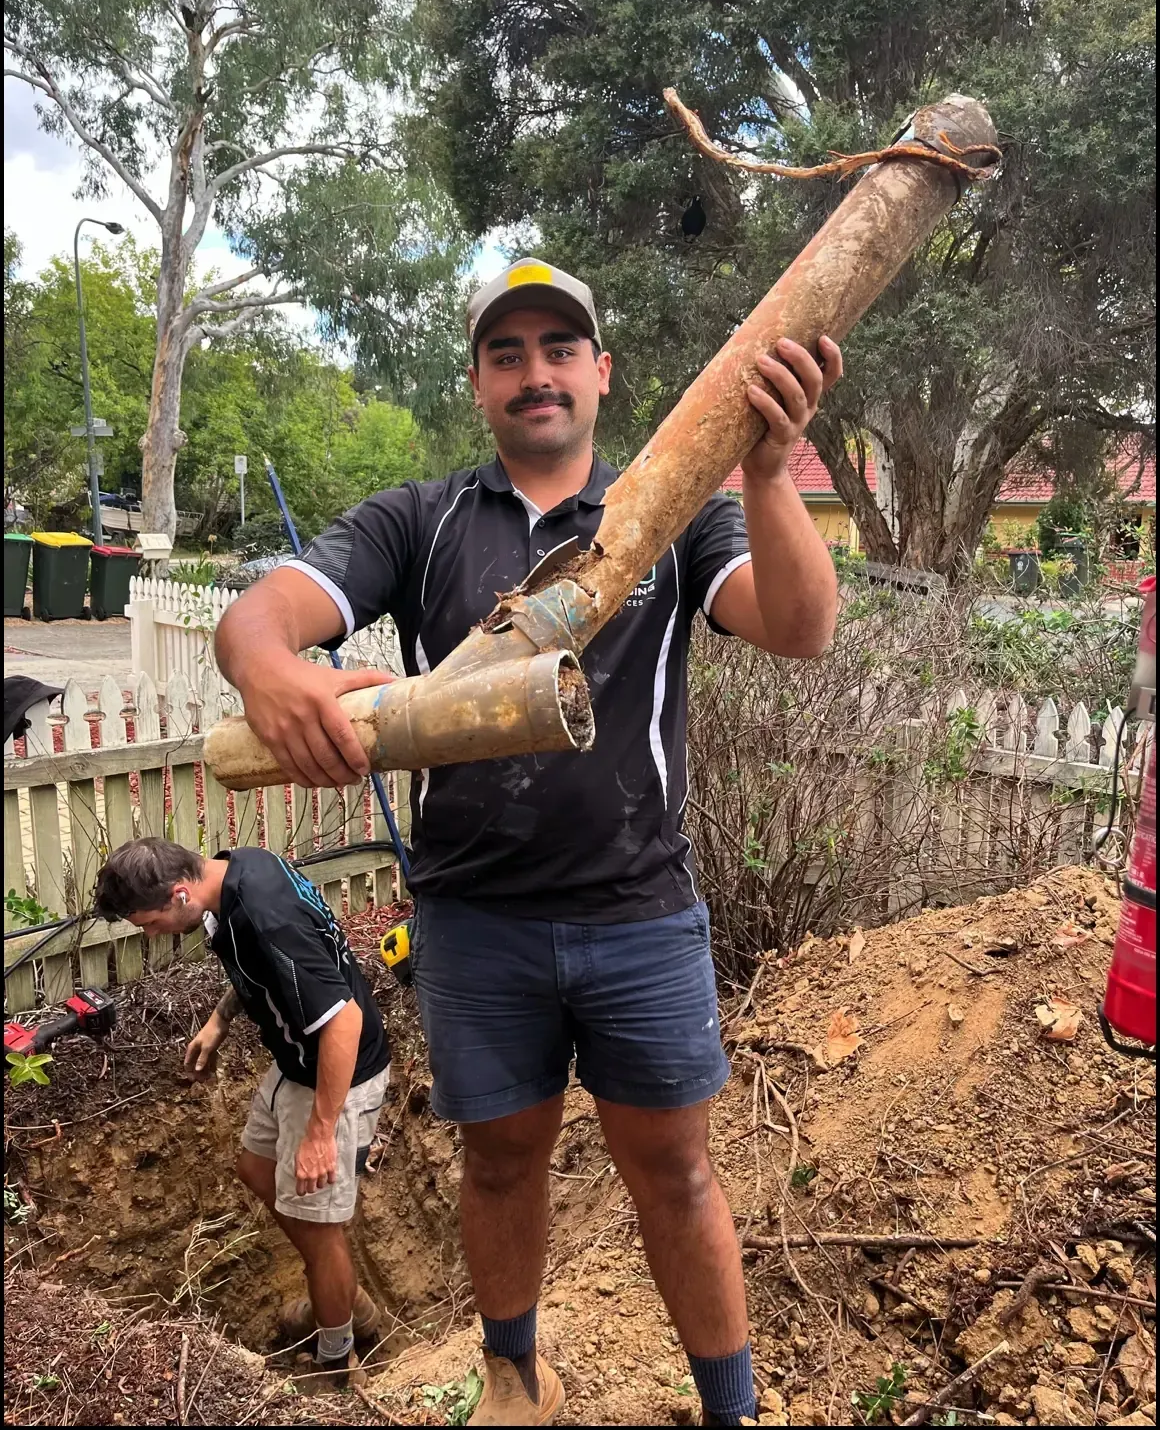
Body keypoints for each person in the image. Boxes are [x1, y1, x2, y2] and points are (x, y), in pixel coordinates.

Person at [214, 258, 843, 1427]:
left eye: (560, 347)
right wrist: (262, 666)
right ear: (477, 382)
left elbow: (800, 626)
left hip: (639, 911)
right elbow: (265, 611)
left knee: (675, 1171)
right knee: (499, 1159)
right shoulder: (422, 520)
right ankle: (511, 1372)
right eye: (506, 352)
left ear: (600, 373)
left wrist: (764, 469)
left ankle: (731, 1406)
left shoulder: (666, 507)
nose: (534, 372)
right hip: (473, 920)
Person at [92, 837, 391, 1393]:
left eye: (150, 922)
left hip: (336, 1075)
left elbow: (343, 1023)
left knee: (321, 1235)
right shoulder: (230, 871)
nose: (150, 934)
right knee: (255, 1171)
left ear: (180, 892)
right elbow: (257, 968)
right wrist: (220, 1018)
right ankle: (346, 1301)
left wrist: (322, 1132)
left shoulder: (267, 916)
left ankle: (336, 1359)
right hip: (294, 1061)